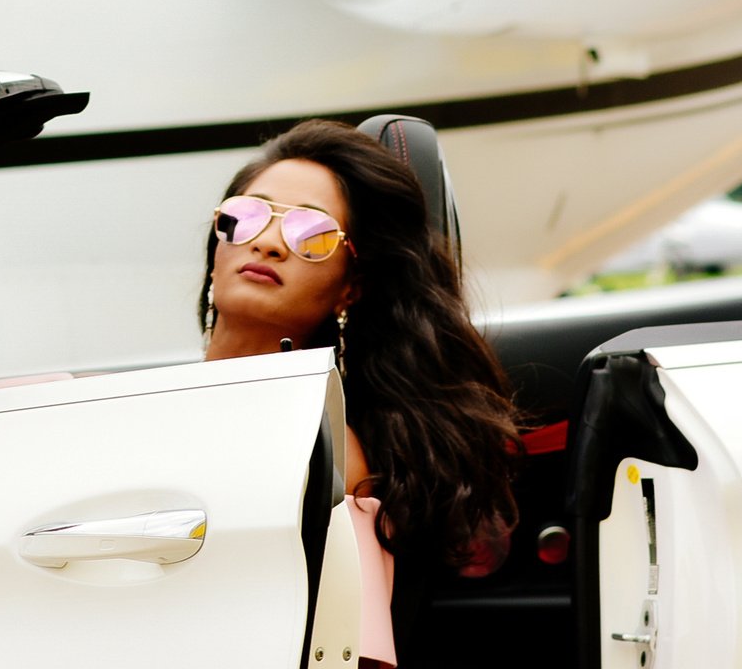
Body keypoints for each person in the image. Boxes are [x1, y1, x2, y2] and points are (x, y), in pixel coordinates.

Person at [198, 118, 521, 667]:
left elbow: (351, 655)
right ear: (218, 240)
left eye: (312, 234)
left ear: (351, 286)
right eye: (247, 214)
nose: (270, 241)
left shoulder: (328, 450)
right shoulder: (140, 402)